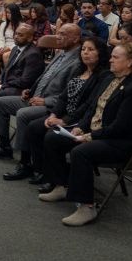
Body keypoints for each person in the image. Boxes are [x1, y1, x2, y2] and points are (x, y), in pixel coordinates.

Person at [39, 42, 132, 226]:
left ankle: (87, 207)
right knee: (53, 138)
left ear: (130, 62)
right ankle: (61, 185)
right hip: (99, 133)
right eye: (111, 56)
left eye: (115, 57)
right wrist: (81, 128)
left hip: (119, 142)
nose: (110, 60)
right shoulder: (110, 78)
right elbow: (92, 109)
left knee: (81, 152)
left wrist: (89, 137)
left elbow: (120, 127)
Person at [7, 37, 109, 184]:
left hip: (80, 120)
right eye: (83, 49)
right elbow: (63, 97)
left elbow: (89, 106)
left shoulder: (102, 76)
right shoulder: (80, 70)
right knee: (34, 127)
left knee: (50, 134)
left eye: (90, 50)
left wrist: (64, 120)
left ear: (100, 53)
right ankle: (38, 169)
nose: (85, 52)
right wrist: (54, 114)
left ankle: (54, 177)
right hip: (63, 114)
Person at [0, 25, 81, 159]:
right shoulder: (61, 53)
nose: (58, 37)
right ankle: (4, 147)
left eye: (63, 34)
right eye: (58, 33)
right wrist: (31, 91)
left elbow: (70, 94)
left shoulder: (78, 62)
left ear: (76, 38)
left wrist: (45, 101)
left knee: (23, 114)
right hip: (35, 97)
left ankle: (25, 160)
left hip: (52, 106)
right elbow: (44, 77)